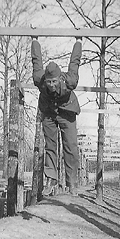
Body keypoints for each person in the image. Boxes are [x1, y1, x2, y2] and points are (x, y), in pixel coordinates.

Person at [31, 35, 83, 196]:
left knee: (71, 146)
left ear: (60, 78)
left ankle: (71, 182)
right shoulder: (39, 79)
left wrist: (78, 42)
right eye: (49, 82)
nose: (51, 85)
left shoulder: (70, 81)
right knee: (50, 146)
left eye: (54, 81)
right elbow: (36, 60)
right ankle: (50, 179)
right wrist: (35, 40)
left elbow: (75, 61)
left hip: (67, 112)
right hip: (48, 112)